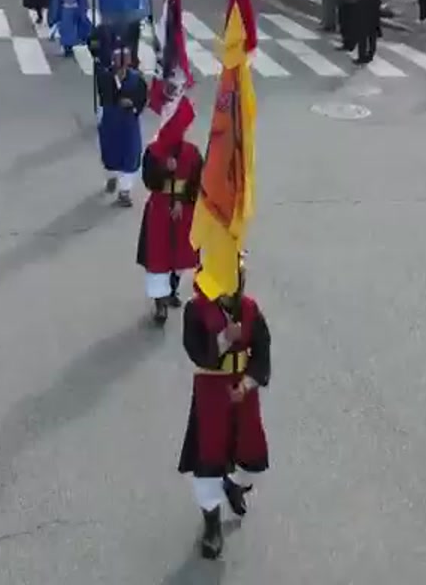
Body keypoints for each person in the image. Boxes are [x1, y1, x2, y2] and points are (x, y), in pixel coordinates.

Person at [178, 268, 271, 560]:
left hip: (243, 394)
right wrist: (223, 339)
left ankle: (231, 485)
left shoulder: (251, 310)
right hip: (210, 394)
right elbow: (196, 352)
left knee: (247, 454)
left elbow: (263, 353)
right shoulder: (196, 310)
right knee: (208, 458)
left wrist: (247, 383)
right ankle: (212, 526)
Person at [138, 102, 200, 323]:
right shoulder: (153, 153)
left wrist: (183, 201)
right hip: (159, 211)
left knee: (180, 257)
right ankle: (160, 302)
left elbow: (196, 181)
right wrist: (165, 170)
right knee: (158, 257)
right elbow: (148, 180)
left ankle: (172, 289)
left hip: (183, 212)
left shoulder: (192, 153)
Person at [97, 47, 147, 206]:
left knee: (130, 154)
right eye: (119, 68)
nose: (122, 71)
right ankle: (111, 178)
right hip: (111, 120)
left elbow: (143, 98)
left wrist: (133, 105)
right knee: (110, 154)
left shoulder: (137, 80)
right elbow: (103, 98)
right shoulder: (105, 77)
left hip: (128, 122)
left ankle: (124, 192)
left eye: (124, 67)